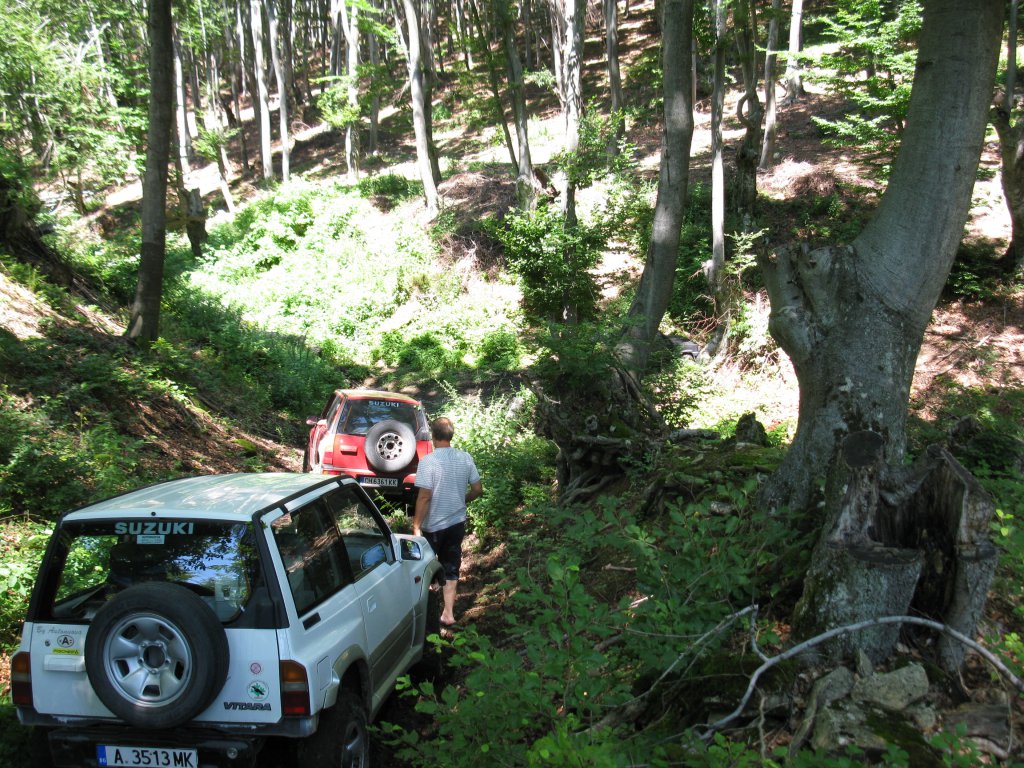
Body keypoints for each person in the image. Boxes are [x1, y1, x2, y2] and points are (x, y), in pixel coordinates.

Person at [413, 416, 482, 628]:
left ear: (433, 436)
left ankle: (425, 614)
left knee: (425, 568)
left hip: (432, 526)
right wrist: (462, 500)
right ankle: (449, 614)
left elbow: (424, 497)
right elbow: (477, 490)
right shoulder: (465, 458)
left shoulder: (428, 462)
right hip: (456, 523)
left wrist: (416, 525)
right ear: (451, 435)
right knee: (451, 566)